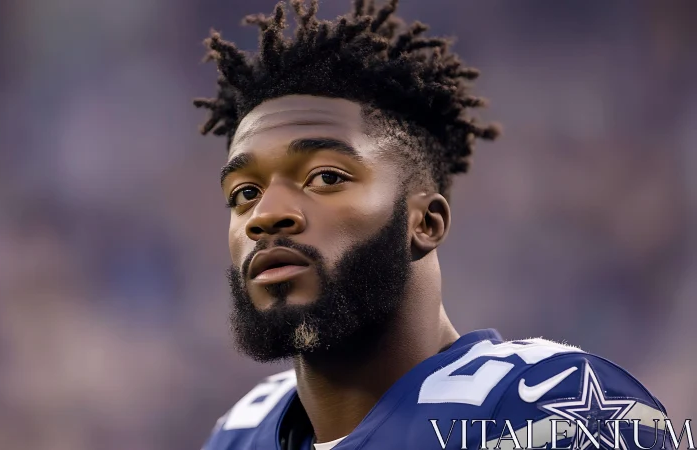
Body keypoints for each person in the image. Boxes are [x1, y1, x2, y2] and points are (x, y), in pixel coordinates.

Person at [194, 1, 673, 449]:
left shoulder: (553, 412)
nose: (265, 215)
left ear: (425, 222)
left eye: (325, 177)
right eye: (245, 194)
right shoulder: (239, 433)